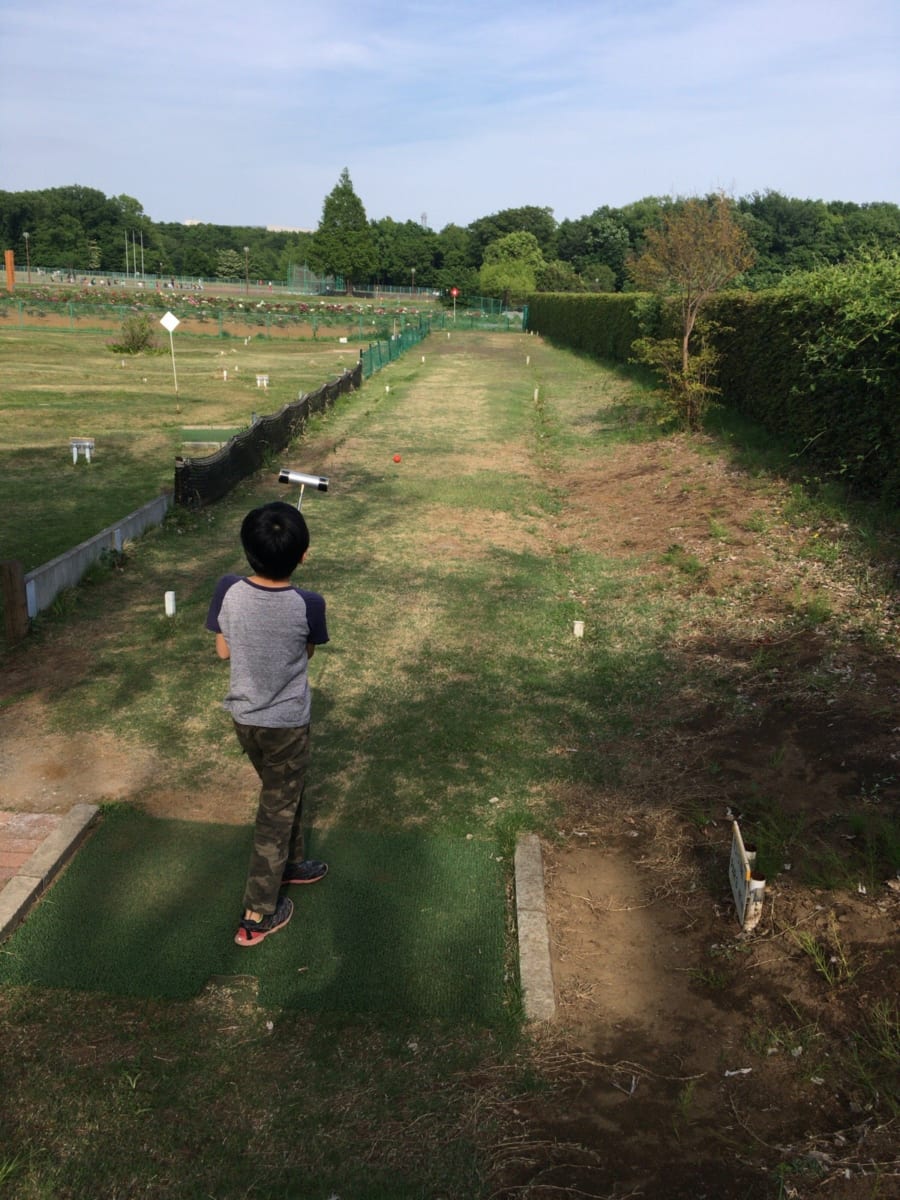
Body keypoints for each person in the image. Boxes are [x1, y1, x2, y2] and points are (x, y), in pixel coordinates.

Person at [206, 501, 329, 947]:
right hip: (287, 726)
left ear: (247, 550)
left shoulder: (227, 590)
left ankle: (291, 865)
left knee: (285, 793)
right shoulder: (309, 604)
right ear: (303, 555)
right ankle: (258, 912)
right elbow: (308, 652)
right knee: (275, 812)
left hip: (246, 722)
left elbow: (223, 651)